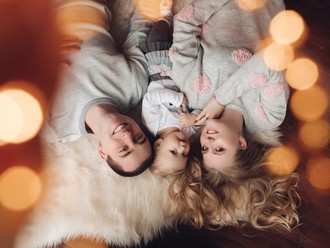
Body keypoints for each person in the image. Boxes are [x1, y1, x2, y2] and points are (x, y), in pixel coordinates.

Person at [167, 0, 300, 230]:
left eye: (206, 149)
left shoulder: (193, 94)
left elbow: (185, 22)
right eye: (219, 148)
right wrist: (221, 99)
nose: (208, 141)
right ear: (241, 142)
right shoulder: (268, 115)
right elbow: (272, 59)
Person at [41, 0, 154, 177]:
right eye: (138, 138)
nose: (127, 135)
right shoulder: (134, 86)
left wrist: (43, 51)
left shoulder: (54, 128)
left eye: (124, 149)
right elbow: (142, 25)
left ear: (102, 153)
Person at [140, 15, 203, 177]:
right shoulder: (187, 132)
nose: (183, 148)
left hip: (160, 67)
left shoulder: (152, 124)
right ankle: (185, 23)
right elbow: (203, 115)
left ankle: (164, 18)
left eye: (174, 151)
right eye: (185, 154)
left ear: (158, 144)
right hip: (182, 71)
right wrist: (193, 118)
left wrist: (177, 99)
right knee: (189, 44)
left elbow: (151, 98)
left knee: (158, 34)